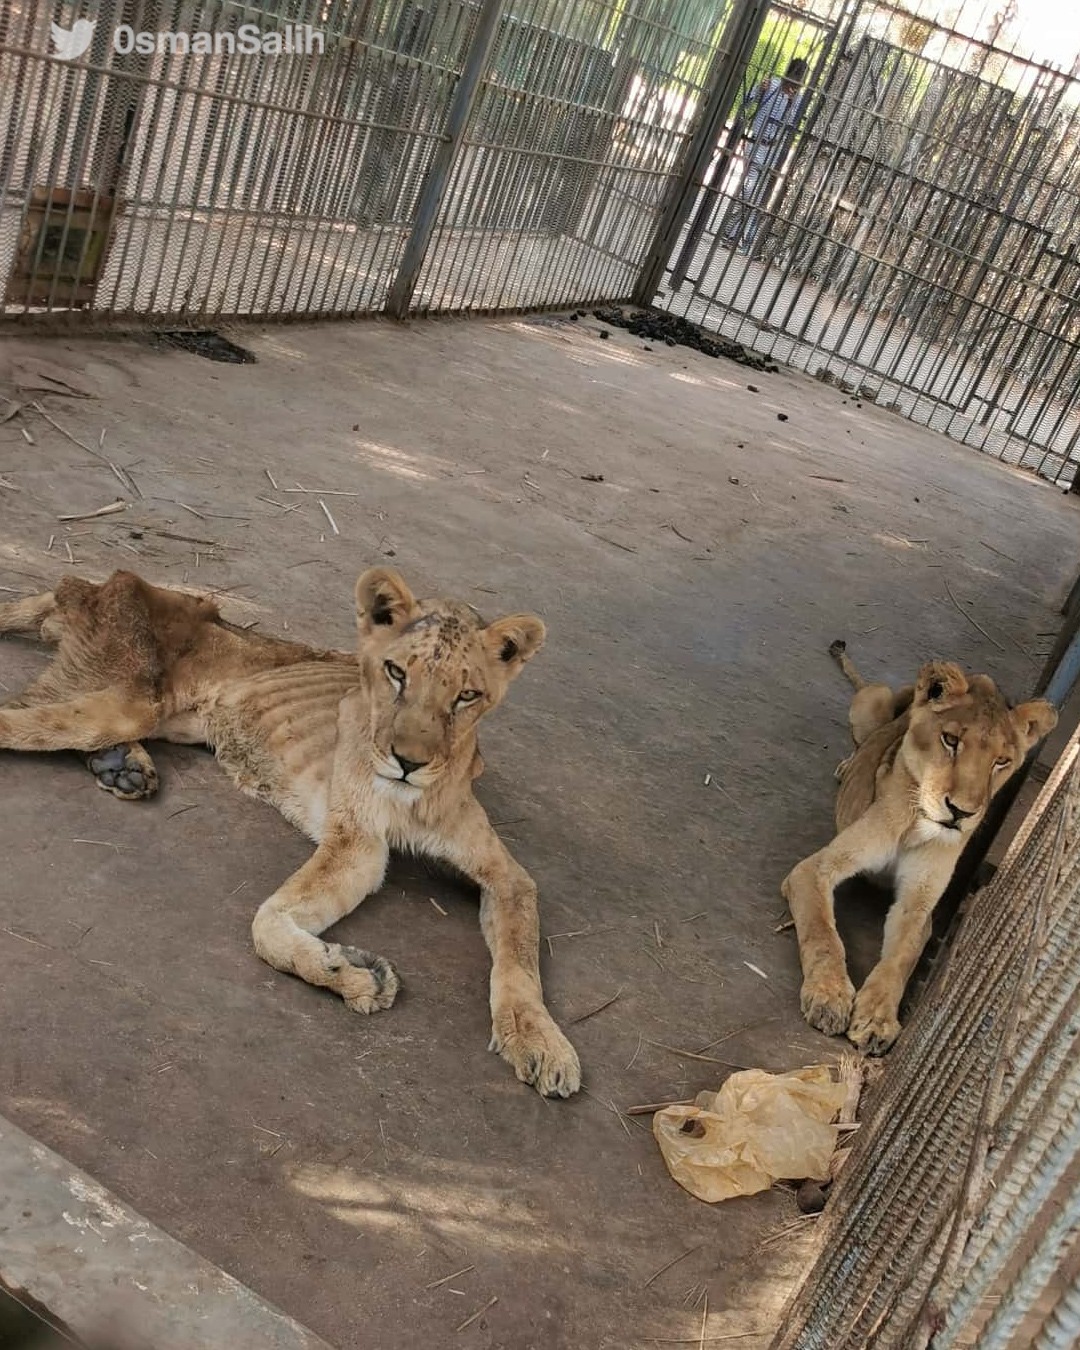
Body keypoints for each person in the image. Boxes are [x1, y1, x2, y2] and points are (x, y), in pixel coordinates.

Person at [724, 57, 808, 253]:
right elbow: (745, 103)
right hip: (757, 142)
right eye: (794, 74)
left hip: (775, 149)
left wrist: (793, 103)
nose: (795, 80)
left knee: (757, 193)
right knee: (750, 188)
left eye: (799, 76)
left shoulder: (799, 98)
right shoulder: (772, 85)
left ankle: (738, 236)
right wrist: (758, 90)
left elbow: (797, 123)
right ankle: (736, 235)